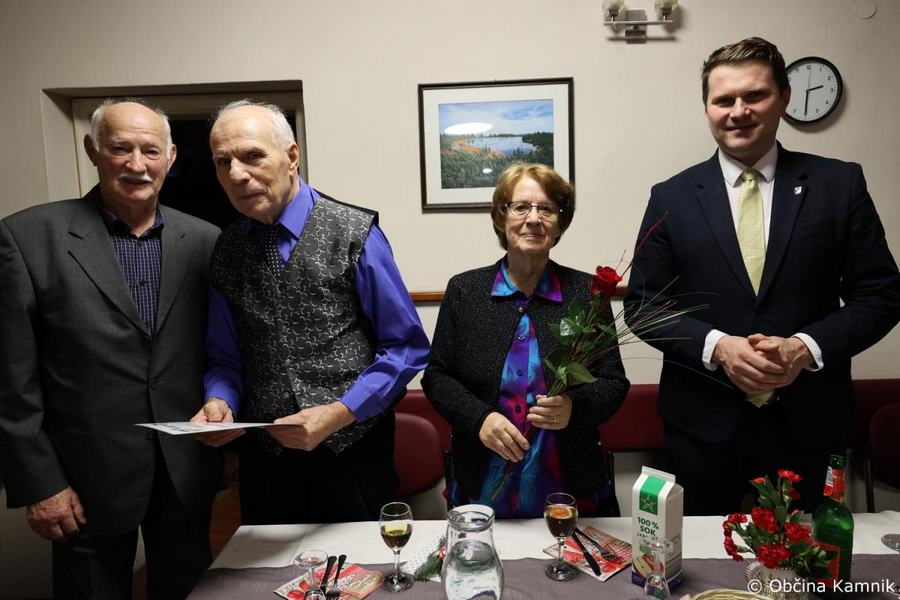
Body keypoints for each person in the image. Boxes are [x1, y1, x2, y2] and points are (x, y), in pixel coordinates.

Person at [624, 37, 900, 516]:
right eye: (724, 100)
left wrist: (803, 349)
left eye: (755, 95)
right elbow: (644, 307)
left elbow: (881, 295)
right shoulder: (670, 196)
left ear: (783, 98)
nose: (739, 111)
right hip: (701, 427)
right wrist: (718, 348)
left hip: (810, 422)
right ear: (707, 108)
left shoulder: (839, 185)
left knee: (808, 558)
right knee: (701, 558)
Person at [0, 99, 221, 599]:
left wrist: (224, 445)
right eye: (120, 148)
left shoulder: (205, 239)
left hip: (184, 473)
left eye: (150, 150)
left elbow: (218, 353)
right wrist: (40, 483)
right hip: (82, 479)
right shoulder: (26, 237)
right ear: (92, 150)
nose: (136, 164)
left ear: (170, 157)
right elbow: (11, 380)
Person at [191, 100, 429, 525]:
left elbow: (405, 348)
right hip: (267, 464)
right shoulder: (226, 249)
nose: (237, 174)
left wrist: (339, 413)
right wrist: (219, 401)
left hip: (352, 455)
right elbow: (225, 358)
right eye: (223, 162)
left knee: (362, 565)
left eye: (252, 156)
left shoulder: (354, 233)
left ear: (291, 157)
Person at [422, 163, 629, 519]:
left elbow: (613, 382)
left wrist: (574, 407)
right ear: (501, 216)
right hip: (483, 481)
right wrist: (479, 418)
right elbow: (437, 377)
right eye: (520, 207)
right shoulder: (465, 291)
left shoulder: (586, 293)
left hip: (570, 486)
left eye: (546, 208)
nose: (533, 219)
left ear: (559, 222)